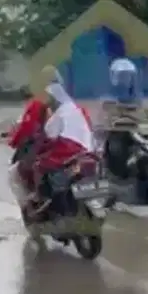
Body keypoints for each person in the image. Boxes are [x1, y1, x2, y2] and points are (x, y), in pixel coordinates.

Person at [28, 80, 95, 212]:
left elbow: (50, 134)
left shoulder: (60, 112)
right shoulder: (78, 108)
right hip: (88, 147)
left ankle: (42, 197)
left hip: (69, 148)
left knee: (39, 164)